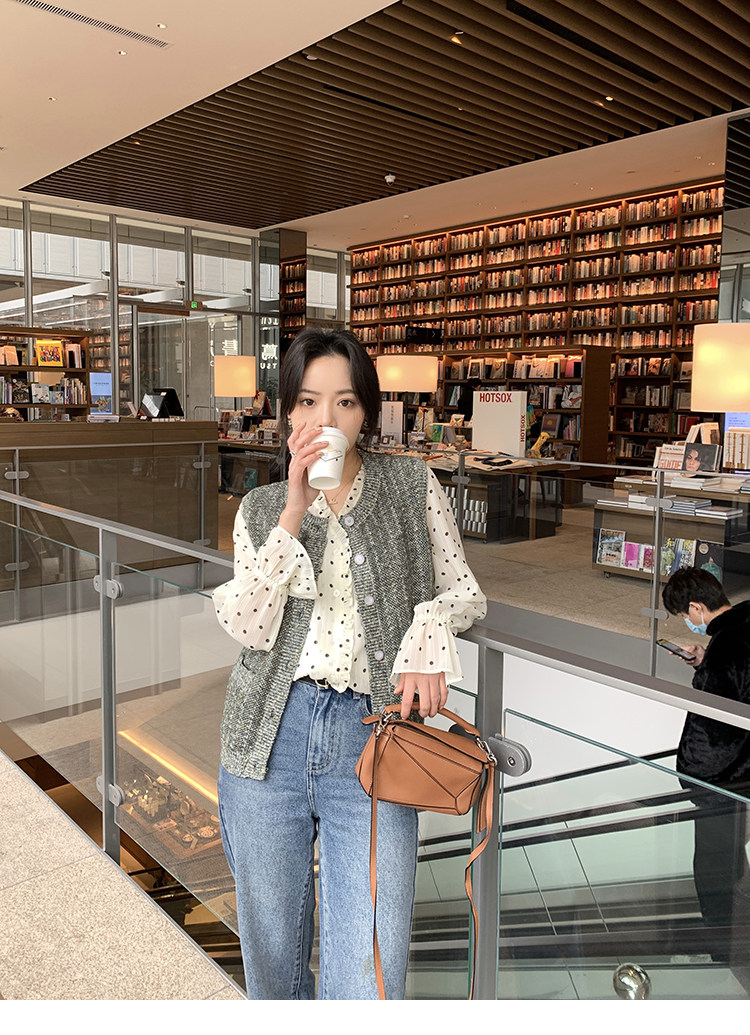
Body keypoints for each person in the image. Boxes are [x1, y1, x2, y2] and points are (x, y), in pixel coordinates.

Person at [212, 327, 487, 1000]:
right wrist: (294, 507)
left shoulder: (412, 485)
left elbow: (463, 592)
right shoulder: (259, 509)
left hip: (372, 739)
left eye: (344, 402)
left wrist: (426, 633)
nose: (325, 420)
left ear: (366, 411)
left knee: (370, 963)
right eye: (308, 402)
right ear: (287, 413)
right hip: (266, 741)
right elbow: (248, 627)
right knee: (271, 957)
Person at [662, 568, 750, 960]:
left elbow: (715, 727)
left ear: (698, 607)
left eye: (686, 614)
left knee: (713, 862)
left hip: (724, 779)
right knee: (730, 851)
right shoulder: (741, 625)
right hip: (743, 772)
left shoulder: (727, 644)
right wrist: (705, 659)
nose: (688, 621)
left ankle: (720, 943)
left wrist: (692, 774)